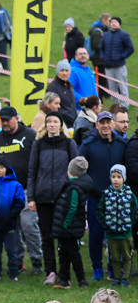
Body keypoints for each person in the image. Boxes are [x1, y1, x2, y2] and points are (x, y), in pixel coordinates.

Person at [0, 107, 39, 275]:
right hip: (5, 191)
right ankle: (17, 262)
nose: (5, 123)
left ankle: (37, 261)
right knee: (11, 227)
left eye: (8, 119)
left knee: (29, 225)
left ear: (17, 118)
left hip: (25, 188)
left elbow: (39, 160)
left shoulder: (30, 135)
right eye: (3, 120)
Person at [28, 110, 78, 284]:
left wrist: (73, 192)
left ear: (60, 124)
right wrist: (31, 197)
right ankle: (50, 271)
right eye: (49, 122)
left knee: (64, 236)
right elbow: (32, 172)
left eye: (55, 122)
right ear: (45, 125)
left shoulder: (68, 143)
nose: (52, 125)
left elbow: (75, 170)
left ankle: (65, 272)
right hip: (42, 197)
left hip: (63, 196)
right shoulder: (38, 145)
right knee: (47, 236)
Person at [80, 112, 128, 280]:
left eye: (108, 122)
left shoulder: (122, 144)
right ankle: (97, 268)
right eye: (102, 123)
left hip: (117, 199)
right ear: (97, 125)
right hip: (96, 198)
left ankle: (113, 267)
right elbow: (81, 170)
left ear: (113, 124)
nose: (106, 125)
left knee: (115, 235)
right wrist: (91, 188)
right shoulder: (88, 145)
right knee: (95, 234)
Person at [52, 157, 94, 290]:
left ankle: (81, 280)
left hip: (69, 229)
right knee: (63, 253)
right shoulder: (71, 186)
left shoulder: (74, 188)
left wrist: (65, 224)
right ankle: (64, 279)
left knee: (73, 253)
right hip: (66, 228)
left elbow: (72, 207)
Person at [99, 164, 138, 286]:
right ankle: (116, 278)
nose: (116, 179)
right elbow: (100, 210)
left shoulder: (129, 194)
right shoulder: (106, 194)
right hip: (111, 233)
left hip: (126, 233)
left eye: (119, 177)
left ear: (123, 178)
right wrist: (105, 224)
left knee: (127, 256)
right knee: (114, 257)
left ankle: (125, 278)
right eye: (113, 176)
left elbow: (134, 210)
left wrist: (129, 223)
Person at [100, 17, 133, 102]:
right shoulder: (105, 35)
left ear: (119, 24)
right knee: (112, 88)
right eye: (111, 22)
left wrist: (121, 57)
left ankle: (125, 106)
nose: (113, 23)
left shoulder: (124, 35)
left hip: (119, 66)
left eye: (115, 22)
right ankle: (115, 106)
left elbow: (130, 48)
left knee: (123, 87)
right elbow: (101, 48)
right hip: (108, 67)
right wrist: (103, 58)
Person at [47, 60, 78, 127]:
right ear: (57, 72)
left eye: (66, 70)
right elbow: (51, 108)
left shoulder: (69, 86)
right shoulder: (53, 87)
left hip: (72, 124)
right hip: (62, 125)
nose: (64, 73)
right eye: (62, 70)